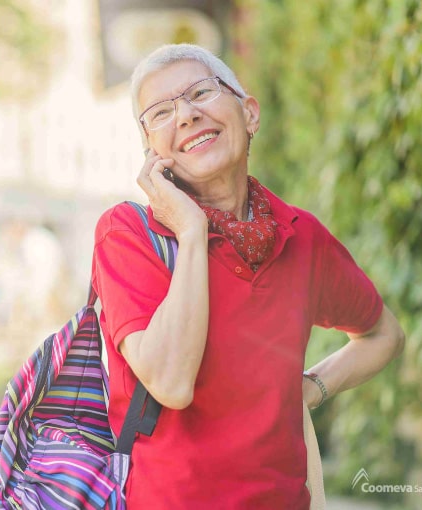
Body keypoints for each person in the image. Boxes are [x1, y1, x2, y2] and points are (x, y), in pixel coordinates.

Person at [91, 43, 405, 509]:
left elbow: (383, 335)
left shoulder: (301, 236)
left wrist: (312, 388)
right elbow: (172, 383)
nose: (186, 115)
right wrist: (192, 231)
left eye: (201, 92)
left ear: (250, 113)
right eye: (159, 113)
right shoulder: (128, 235)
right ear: (152, 154)